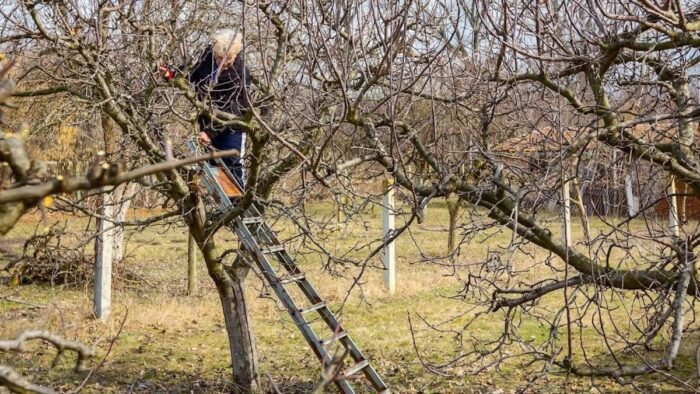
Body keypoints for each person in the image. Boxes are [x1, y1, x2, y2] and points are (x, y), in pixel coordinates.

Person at [161, 29, 251, 185]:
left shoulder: (239, 75)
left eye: (227, 58)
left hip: (232, 128)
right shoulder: (207, 57)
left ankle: (239, 207)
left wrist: (210, 132)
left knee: (232, 168)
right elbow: (192, 73)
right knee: (214, 169)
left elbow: (230, 109)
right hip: (207, 122)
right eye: (218, 57)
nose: (220, 62)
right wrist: (171, 75)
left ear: (235, 55)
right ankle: (222, 208)